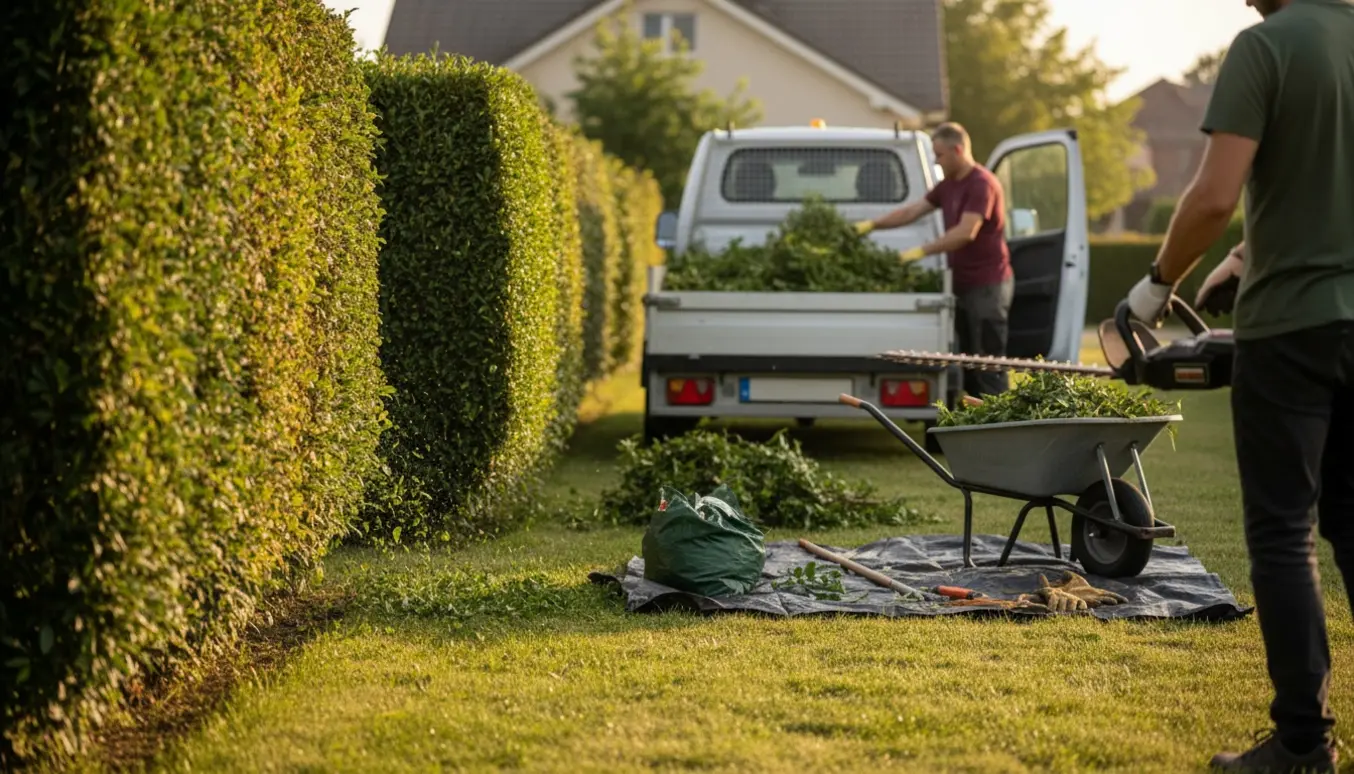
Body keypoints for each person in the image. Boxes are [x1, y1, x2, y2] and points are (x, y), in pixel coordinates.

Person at [1123, 0, 1354, 770]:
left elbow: (1215, 194)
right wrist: (1244, 257)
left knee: (1284, 535)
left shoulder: (1265, 48)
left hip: (1293, 332)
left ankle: (1301, 747)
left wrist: (1158, 285)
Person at [856, 122, 1014, 398]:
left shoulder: (981, 184)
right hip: (962, 285)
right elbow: (913, 211)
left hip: (987, 286)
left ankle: (1002, 426)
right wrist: (870, 225)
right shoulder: (949, 185)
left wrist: (920, 251)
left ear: (958, 149)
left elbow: (966, 232)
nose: (936, 160)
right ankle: (973, 427)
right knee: (966, 362)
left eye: (939, 155)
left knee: (988, 362)